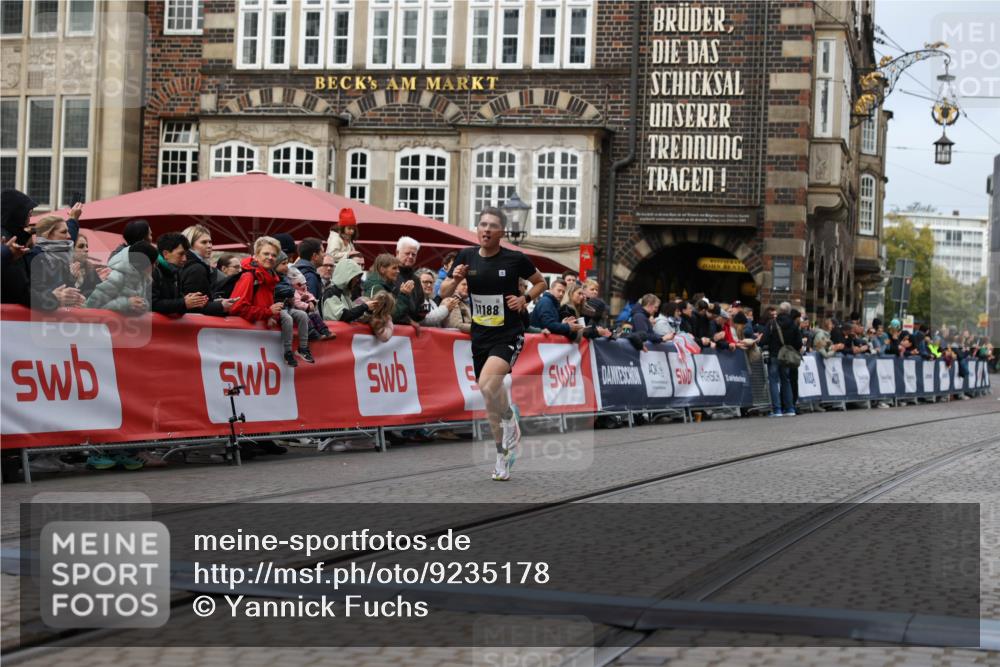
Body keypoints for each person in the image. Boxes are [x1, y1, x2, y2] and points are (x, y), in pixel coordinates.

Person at [439, 206, 546, 482]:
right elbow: (443, 292)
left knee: (488, 384)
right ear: (477, 229)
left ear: (501, 232)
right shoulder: (466, 256)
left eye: (492, 226)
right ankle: (502, 453)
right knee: (488, 397)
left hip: (508, 333)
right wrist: (456, 279)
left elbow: (540, 282)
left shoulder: (515, 259)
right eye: (482, 224)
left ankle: (510, 420)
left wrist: (525, 300)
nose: (486, 229)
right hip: (481, 335)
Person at [231, 236, 314, 367]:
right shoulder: (249, 277)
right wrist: (267, 312)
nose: (270, 257)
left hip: (260, 347)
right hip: (245, 345)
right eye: (266, 253)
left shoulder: (271, 278)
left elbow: (272, 306)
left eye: (273, 255)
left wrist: (272, 315)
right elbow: (237, 308)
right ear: (256, 255)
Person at [29, 215, 85, 311]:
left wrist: (71, 280)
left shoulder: (60, 257)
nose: (69, 236)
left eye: (68, 231)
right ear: (47, 234)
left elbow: (64, 292)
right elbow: (34, 293)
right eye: (64, 232)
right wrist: (57, 296)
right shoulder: (33, 256)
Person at [85, 242, 158, 315]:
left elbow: (141, 302)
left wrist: (142, 305)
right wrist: (126, 304)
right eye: (153, 263)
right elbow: (91, 306)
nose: (155, 267)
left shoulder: (141, 277)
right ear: (144, 264)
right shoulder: (115, 278)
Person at [179, 225, 232, 316]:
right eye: (204, 242)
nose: (209, 246)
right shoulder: (197, 268)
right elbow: (196, 306)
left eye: (210, 242)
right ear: (190, 245)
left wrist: (214, 301)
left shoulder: (189, 264)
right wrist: (220, 306)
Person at [150, 233, 208, 315]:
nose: (185, 259)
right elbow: (152, 304)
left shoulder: (175, 271)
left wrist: (191, 301)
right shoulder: (153, 271)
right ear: (165, 254)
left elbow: (175, 302)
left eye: (185, 254)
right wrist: (184, 303)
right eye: (181, 254)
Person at [362, 253, 421, 329]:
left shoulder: (387, 286)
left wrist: (408, 320)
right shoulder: (376, 288)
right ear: (382, 269)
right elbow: (391, 315)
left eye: (398, 268)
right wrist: (404, 295)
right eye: (394, 268)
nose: (398, 271)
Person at [764, 301, 801, 417]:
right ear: (789, 312)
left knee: (774, 381)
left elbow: (764, 341)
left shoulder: (772, 323)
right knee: (786, 380)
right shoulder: (794, 325)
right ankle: (790, 408)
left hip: (774, 355)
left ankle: (777, 410)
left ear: (779, 311)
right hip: (786, 357)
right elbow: (799, 343)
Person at [1, 189, 37, 306]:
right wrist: (54, 298)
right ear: (17, 213)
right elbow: (20, 292)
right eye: (27, 213)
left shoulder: (11, 236)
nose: (30, 217)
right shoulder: (7, 240)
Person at [322, 253, 372, 323]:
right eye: (355, 277)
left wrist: (369, 310)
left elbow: (353, 315)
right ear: (348, 276)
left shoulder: (345, 293)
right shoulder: (332, 292)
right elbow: (343, 316)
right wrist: (365, 306)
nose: (357, 280)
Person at [71, 233, 106, 297]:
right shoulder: (61, 269)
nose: (86, 249)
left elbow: (100, 295)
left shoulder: (90, 268)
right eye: (81, 246)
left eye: (87, 246)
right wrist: (74, 281)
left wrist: (104, 283)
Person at [294, 237, 325, 302]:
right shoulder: (310, 276)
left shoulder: (295, 270)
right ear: (315, 256)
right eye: (322, 252)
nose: (324, 255)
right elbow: (311, 305)